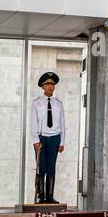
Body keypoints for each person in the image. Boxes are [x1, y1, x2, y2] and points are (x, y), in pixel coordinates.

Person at [29, 72, 65, 204]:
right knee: (41, 167)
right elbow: (33, 122)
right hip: (41, 138)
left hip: (55, 138)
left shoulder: (58, 104)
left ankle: (50, 196)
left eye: (52, 84)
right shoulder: (36, 103)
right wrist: (35, 141)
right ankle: (41, 196)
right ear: (43, 87)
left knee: (51, 167)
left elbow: (62, 124)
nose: (50, 87)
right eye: (47, 84)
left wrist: (62, 142)